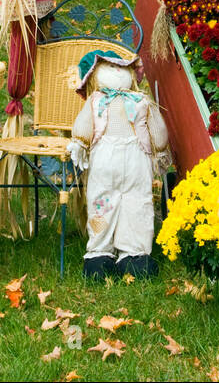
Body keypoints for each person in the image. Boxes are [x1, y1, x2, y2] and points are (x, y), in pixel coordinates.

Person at [68, 50, 171, 280]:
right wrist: (80, 143)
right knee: (101, 203)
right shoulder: (96, 101)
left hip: (137, 162)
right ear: (93, 76)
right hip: (105, 161)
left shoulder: (142, 100)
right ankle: (99, 253)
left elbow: (157, 130)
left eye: (120, 66)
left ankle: (134, 255)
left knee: (138, 204)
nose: (116, 70)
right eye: (109, 66)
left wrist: (160, 144)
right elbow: (83, 127)